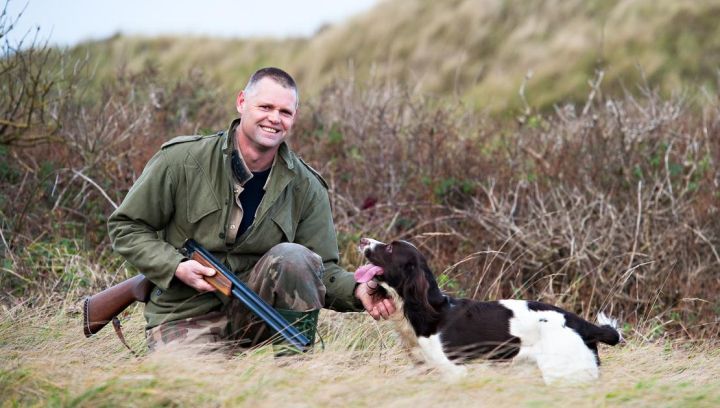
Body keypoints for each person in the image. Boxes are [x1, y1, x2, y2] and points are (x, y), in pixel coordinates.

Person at [108, 67, 394, 351]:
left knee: (295, 256)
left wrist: (358, 291)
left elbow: (322, 270)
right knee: (199, 391)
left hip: (258, 317)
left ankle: (295, 375)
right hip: (183, 316)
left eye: (285, 112)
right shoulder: (181, 160)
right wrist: (175, 266)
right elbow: (126, 226)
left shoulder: (306, 186)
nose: (274, 118)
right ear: (242, 102)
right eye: (266, 106)